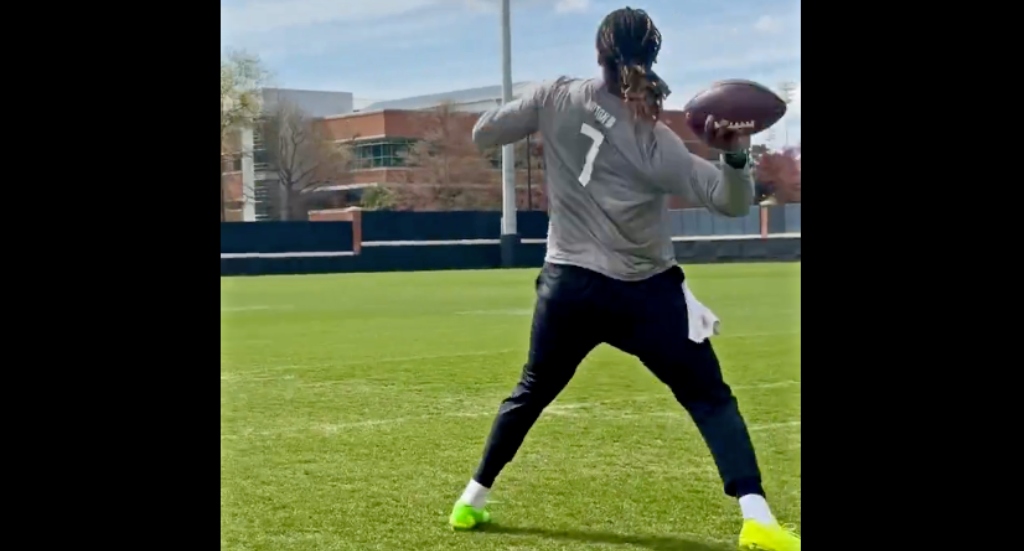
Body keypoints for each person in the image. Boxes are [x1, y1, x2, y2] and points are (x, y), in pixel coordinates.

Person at [448, 7, 800, 551]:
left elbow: (483, 133)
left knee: (532, 390)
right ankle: (757, 519)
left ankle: (470, 501)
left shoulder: (556, 96)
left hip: (569, 285)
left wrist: (535, 118)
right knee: (709, 399)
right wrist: (735, 158)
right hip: (644, 293)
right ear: (652, 59)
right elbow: (732, 205)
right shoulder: (660, 145)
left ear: (598, 53)